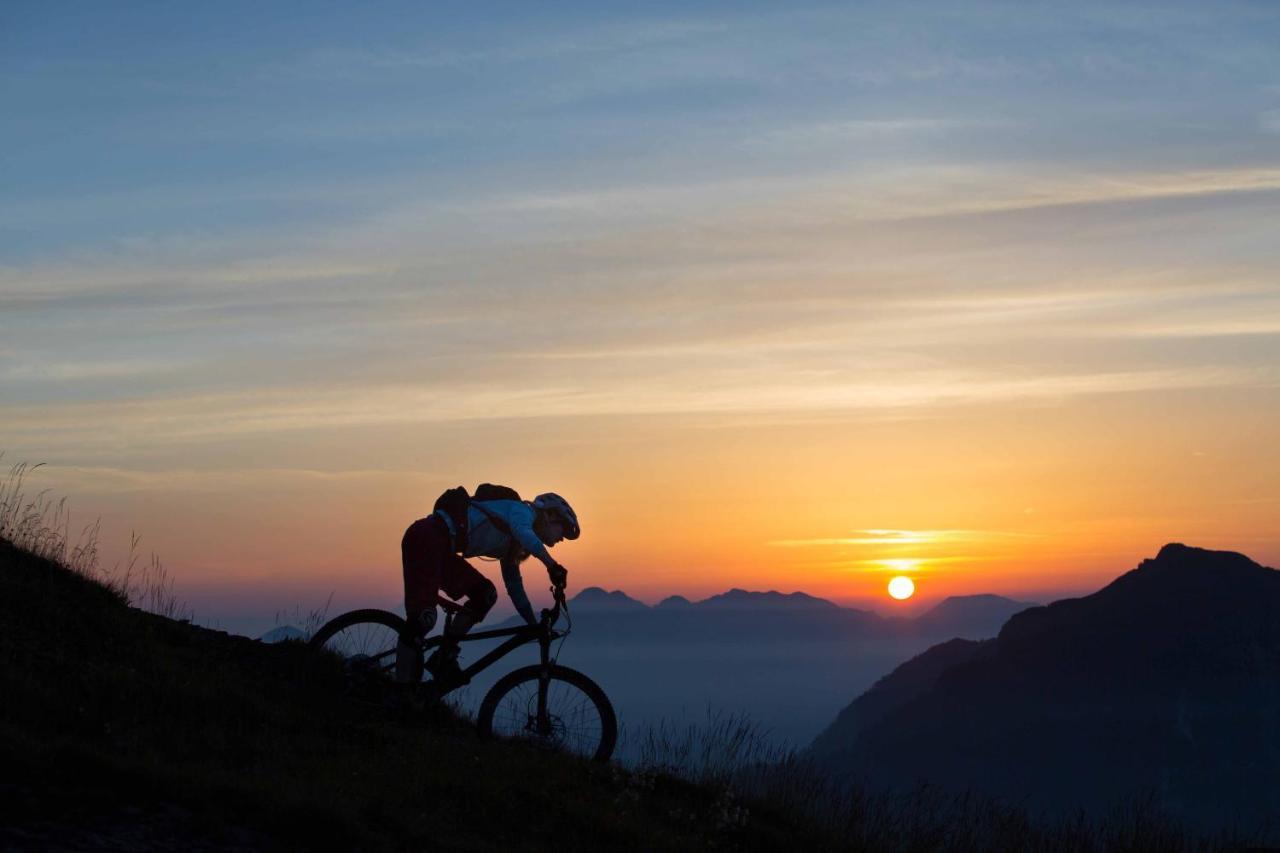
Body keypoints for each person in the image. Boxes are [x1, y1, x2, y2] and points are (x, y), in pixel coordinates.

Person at [397, 490, 578, 685]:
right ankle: (400, 690)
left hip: (443, 548)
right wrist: (552, 566)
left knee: (485, 594)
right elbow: (523, 532)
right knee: (424, 618)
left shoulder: (515, 543)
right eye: (563, 528)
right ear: (549, 515)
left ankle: (445, 655)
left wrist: (531, 623)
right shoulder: (522, 511)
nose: (562, 538)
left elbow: (514, 586)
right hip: (426, 537)